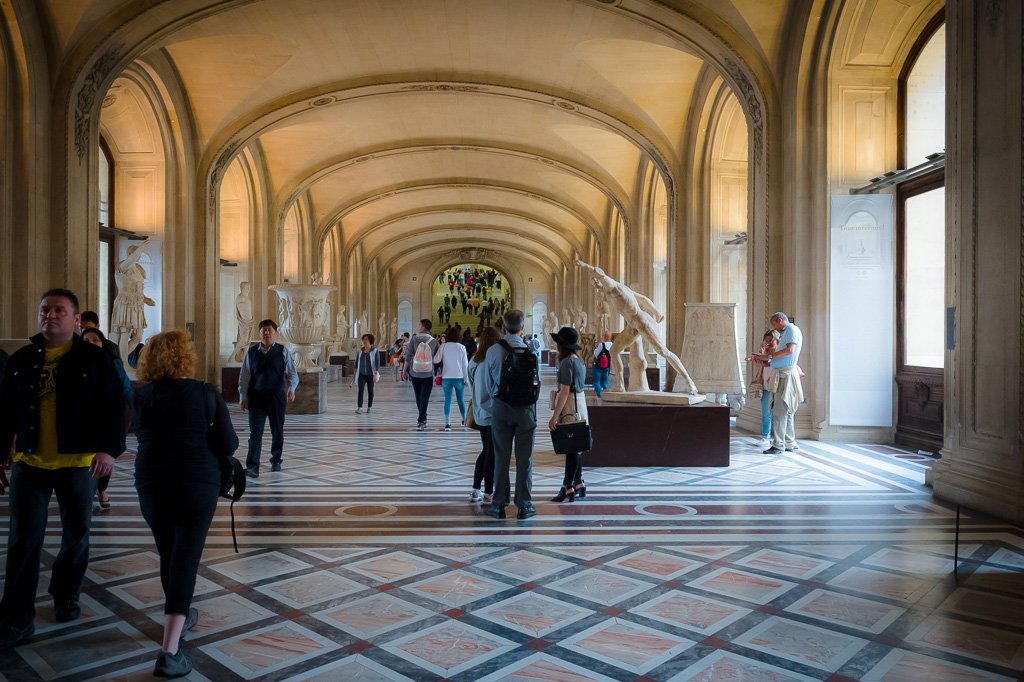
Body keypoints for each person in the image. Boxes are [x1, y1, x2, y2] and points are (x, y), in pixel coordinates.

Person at [0, 289, 126, 648]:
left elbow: (116, 406)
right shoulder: (21, 359)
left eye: (59, 310)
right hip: (30, 463)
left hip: (78, 463)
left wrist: (109, 450)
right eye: (45, 309)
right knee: (24, 539)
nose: (50, 315)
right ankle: (17, 617)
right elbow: (5, 410)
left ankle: (66, 594)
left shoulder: (95, 359)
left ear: (75, 319)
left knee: (76, 534)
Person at [133, 331, 238, 677]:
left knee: (170, 553)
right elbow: (229, 443)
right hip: (196, 481)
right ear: (185, 357)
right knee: (186, 558)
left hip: (152, 482)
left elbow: (135, 433)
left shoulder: (141, 395)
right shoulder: (205, 393)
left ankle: (180, 613)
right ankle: (170, 649)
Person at [481, 309, 540, 520]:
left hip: (501, 408)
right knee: (525, 459)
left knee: (501, 457)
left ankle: (499, 505)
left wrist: (496, 403)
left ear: (503, 327)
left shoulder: (493, 351)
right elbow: (537, 383)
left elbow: (488, 384)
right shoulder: (531, 351)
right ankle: (524, 505)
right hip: (526, 411)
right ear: (522, 327)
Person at [80, 327, 133, 510]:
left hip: (106, 417)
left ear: (102, 343)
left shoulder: (112, 363)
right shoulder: (73, 363)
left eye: (95, 340)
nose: (91, 344)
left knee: (105, 454)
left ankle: (102, 489)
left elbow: (125, 388)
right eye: (86, 341)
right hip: (83, 420)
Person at [239, 319, 298, 478]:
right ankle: (252, 466)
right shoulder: (251, 352)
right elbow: (244, 376)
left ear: (275, 333)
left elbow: (292, 373)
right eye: (263, 330)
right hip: (256, 398)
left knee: (277, 431)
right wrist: (243, 395)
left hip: (276, 398)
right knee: (255, 433)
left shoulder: (283, 351)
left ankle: (276, 460)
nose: (266, 333)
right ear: (259, 333)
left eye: (269, 330)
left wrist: (291, 388)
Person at [548, 327, 590, 502]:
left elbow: (564, 391)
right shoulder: (579, 360)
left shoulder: (566, 362)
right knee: (576, 447)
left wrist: (555, 416)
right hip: (580, 403)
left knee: (570, 448)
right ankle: (579, 483)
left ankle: (567, 487)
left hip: (570, 404)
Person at [756, 313, 803, 454]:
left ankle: (778, 445)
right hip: (783, 374)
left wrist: (769, 356)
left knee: (779, 412)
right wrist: (765, 359)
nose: (774, 328)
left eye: (774, 324)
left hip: (785, 376)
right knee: (786, 412)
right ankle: (790, 442)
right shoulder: (789, 331)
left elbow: (790, 350)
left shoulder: (791, 330)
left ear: (780, 320)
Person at [468, 327, 500, 504]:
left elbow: (471, 382)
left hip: (479, 410)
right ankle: (488, 491)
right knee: (490, 451)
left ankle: (475, 489)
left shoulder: (474, 361)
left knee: (486, 449)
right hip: (492, 411)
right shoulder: (494, 361)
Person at [110, 240, 157, 363]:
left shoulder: (138, 270)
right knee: (124, 334)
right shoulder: (123, 267)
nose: (139, 256)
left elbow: (138, 290)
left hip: (137, 305)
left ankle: (120, 360)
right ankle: (123, 363)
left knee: (138, 336)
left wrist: (146, 300)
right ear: (130, 254)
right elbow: (132, 259)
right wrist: (141, 248)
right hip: (125, 303)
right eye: (136, 253)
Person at [404, 319, 439, 431]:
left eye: (420, 325)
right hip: (428, 374)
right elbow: (437, 358)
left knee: (418, 397)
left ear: (423, 326)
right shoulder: (434, 341)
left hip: (415, 372)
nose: (419, 327)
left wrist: (404, 370)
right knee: (425, 397)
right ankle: (422, 420)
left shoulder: (414, 339)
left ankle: (422, 419)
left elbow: (408, 356)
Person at [749, 328, 781, 449]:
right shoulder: (765, 352)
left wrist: (761, 356)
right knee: (766, 413)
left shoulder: (779, 352)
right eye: (766, 340)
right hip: (765, 386)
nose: (767, 343)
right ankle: (765, 437)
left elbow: (771, 361)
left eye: (770, 340)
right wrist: (761, 351)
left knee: (779, 413)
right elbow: (760, 364)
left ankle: (780, 438)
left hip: (777, 385)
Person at [433, 327, 470, 431]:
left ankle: (447, 424)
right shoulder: (462, 347)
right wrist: (467, 379)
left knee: (448, 400)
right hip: (459, 377)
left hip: (446, 377)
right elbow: (465, 365)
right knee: (460, 400)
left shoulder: (444, 346)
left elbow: (436, 360)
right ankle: (464, 420)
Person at [352, 334, 380, 413]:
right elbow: (356, 363)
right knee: (360, 390)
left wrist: (376, 374)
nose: (364, 341)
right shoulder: (360, 351)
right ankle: (360, 407)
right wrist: (355, 374)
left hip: (371, 374)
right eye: (363, 339)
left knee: (370, 391)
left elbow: (377, 363)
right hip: (361, 374)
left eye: (366, 339)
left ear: (370, 341)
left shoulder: (375, 351)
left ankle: (369, 407)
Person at [591, 330, 614, 398]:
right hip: (607, 366)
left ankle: (600, 395)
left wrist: (596, 347)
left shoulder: (602, 344)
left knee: (597, 382)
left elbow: (595, 354)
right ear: (610, 337)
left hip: (598, 366)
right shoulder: (613, 345)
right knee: (605, 382)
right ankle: (606, 396)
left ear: (604, 336)